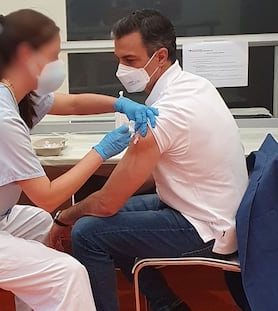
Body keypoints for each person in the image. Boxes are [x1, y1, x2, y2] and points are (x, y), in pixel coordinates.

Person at [0, 9, 158, 311]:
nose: (57, 66)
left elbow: (74, 103)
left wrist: (119, 103)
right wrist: (102, 150)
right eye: (52, 57)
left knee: (49, 228)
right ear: (26, 55)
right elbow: (48, 197)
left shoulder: (16, 94)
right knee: (66, 272)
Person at [50, 9, 249, 311]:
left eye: (130, 60)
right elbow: (144, 178)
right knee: (103, 219)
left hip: (206, 225)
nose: (121, 69)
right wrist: (105, 196)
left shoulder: (167, 112)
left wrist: (64, 216)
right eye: (118, 59)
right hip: (207, 207)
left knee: (87, 233)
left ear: (160, 56)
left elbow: (107, 203)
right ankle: (168, 306)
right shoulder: (195, 85)